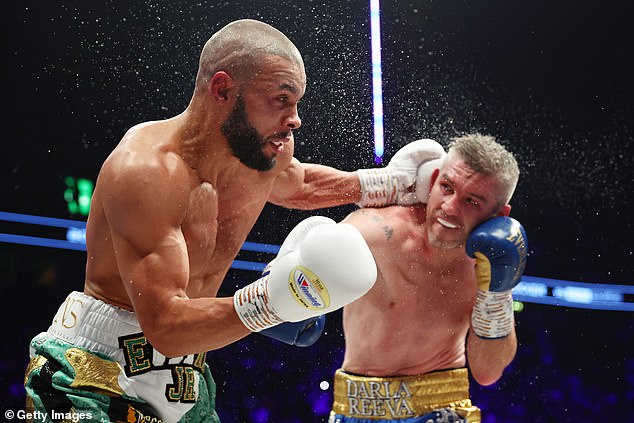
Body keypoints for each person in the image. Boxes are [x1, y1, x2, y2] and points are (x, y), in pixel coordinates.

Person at [23, 19, 446, 423]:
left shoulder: (264, 151)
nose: (294, 118)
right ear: (223, 89)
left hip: (186, 379)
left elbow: (297, 183)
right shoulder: (145, 171)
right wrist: (274, 301)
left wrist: (392, 184)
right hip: (93, 374)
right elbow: (166, 327)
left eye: (296, 102)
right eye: (281, 99)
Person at [329, 133, 528, 423]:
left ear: (499, 214)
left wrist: (498, 292)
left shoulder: (487, 266)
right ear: (433, 179)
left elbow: (487, 372)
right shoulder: (379, 233)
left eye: (472, 201)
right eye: (447, 187)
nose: (449, 208)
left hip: (444, 407)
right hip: (354, 407)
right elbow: (297, 197)